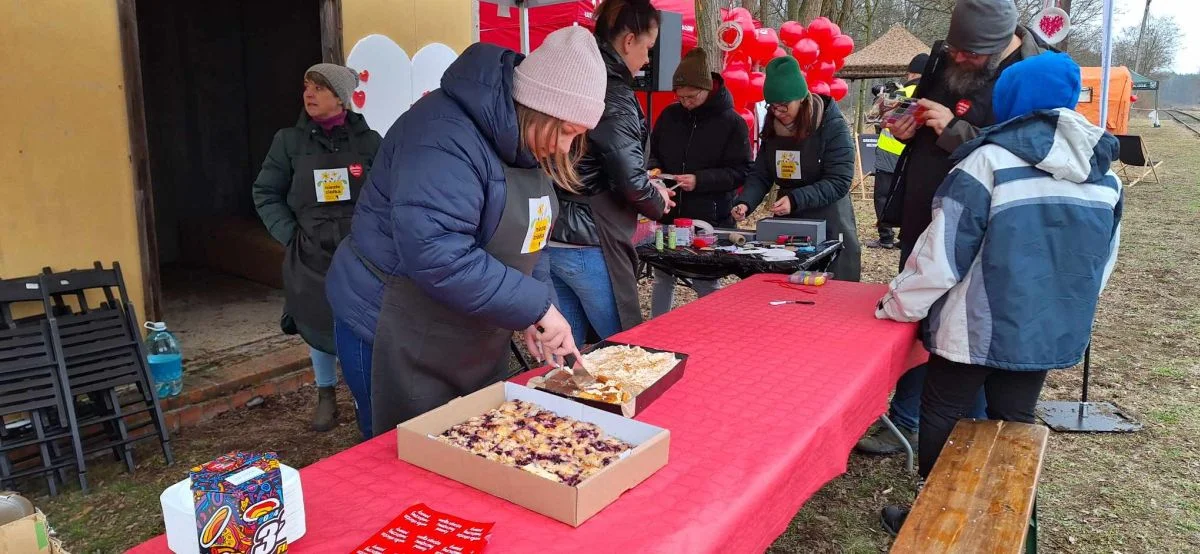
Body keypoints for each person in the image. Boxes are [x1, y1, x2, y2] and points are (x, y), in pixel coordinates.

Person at [875, 52, 1122, 534]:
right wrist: (1064, 311)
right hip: (1046, 326)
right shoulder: (1105, 175)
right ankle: (1005, 519)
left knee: (944, 409)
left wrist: (898, 304)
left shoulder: (986, 161)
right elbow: (1100, 263)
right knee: (1014, 415)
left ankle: (939, 519)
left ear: (1010, 98)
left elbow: (942, 255)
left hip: (975, 322)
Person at [323, 27, 607, 438]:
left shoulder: (525, 141)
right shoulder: (441, 135)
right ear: (536, 108)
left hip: (466, 324)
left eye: (577, 136)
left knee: (468, 444)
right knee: (401, 452)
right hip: (392, 323)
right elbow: (436, 252)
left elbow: (534, 238)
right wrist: (534, 307)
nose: (566, 148)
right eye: (565, 131)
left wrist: (539, 306)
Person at [855, 0, 1050, 455]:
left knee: (967, 329)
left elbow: (1024, 148)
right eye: (955, 49)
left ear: (1001, 43)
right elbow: (924, 115)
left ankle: (968, 430)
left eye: (970, 54)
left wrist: (954, 130)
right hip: (925, 211)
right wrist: (909, 125)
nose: (957, 59)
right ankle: (907, 416)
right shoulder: (949, 54)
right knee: (914, 314)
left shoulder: (1029, 72)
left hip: (977, 223)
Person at [252, 63, 381, 432]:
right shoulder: (288, 142)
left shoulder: (368, 140)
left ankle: (363, 399)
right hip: (311, 252)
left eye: (319, 89)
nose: (309, 95)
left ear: (340, 97)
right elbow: (265, 192)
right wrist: (289, 234)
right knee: (317, 319)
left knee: (359, 326)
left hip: (360, 254)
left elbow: (389, 190)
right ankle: (326, 394)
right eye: (306, 87)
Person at [547, 0, 675, 346]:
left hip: (554, 235)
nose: (648, 59)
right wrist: (657, 200)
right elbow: (630, 180)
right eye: (648, 48)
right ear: (629, 40)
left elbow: (601, 162)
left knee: (568, 351)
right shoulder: (614, 93)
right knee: (623, 347)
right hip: (591, 241)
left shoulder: (577, 80)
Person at [731, 56, 860, 281]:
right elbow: (762, 172)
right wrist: (745, 202)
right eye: (773, 107)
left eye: (784, 106)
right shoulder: (773, 128)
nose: (779, 112)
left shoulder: (832, 126)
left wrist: (796, 199)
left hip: (830, 215)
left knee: (832, 286)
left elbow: (839, 181)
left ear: (801, 99)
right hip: (789, 219)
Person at [647, 47, 752, 317]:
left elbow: (741, 171)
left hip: (710, 217)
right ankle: (657, 329)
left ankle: (715, 333)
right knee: (663, 277)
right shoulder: (669, 116)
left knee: (705, 281)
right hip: (669, 214)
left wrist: (700, 180)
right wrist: (656, 173)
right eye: (679, 97)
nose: (685, 102)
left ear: (708, 89)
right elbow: (653, 154)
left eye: (691, 96)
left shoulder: (732, 123)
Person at [865, 53, 927, 250]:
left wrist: (881, 96)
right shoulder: (931, 94)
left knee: (883, 195)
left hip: (890, 150)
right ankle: (907, 236)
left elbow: (874, 116)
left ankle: (886, 236)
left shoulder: (901, 92)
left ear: (910, 73)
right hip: (915, 155)